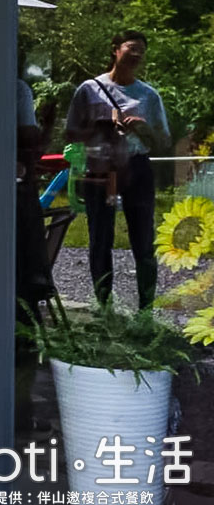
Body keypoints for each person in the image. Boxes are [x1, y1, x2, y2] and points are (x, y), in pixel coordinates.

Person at [65, 29, 170, 310]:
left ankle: (146, 310)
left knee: (143, 238)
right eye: (131, 48)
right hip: (101, 168)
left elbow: (163, 142)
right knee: (101, 236)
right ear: (115, 49)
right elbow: (71, 132)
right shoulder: (89, 89)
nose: (136, 55)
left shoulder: (149, 95)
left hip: (135, 168)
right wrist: (102, 126)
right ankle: (104, 307)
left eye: (141, 52)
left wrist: (143, 128)